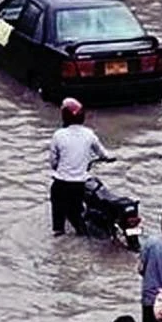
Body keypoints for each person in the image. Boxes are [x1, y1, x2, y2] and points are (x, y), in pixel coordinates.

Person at [49, 97, 112, 236]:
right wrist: (107, 158)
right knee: (77, 217)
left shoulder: (58, 135)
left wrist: (58, 167)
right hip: (78, 185)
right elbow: (103, 153)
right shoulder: (89, 134)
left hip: (60, 184)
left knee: (58, 223)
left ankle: (59, 236)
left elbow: (53, 161)